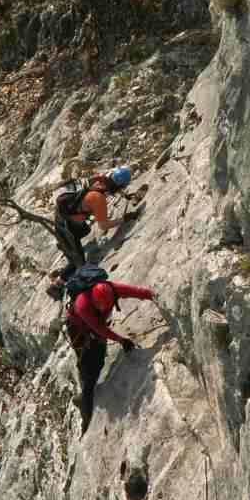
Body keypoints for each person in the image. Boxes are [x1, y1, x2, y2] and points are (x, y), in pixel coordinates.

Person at [66, 275, 155, 435]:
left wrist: (153, 295)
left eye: (106, 305)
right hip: (78, 328)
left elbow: (137, 291)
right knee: (90, 365)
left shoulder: (112, 289)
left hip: (93, 325)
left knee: (99, 359)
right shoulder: (82, 305)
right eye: (101, 306)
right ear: (93, 299)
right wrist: (121, 340)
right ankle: (86, 409)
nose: (104, 308)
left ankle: (85, 384)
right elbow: (99, 329)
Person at [47, 166, 140, 299]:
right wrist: (124, 219)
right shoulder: (98, 199)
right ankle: (56, 286)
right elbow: (104, 225)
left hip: (62, 218)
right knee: (78, 263)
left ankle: (67, 245)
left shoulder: (98, 181)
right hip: (68, 228)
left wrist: (125, 195)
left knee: (86, 229)